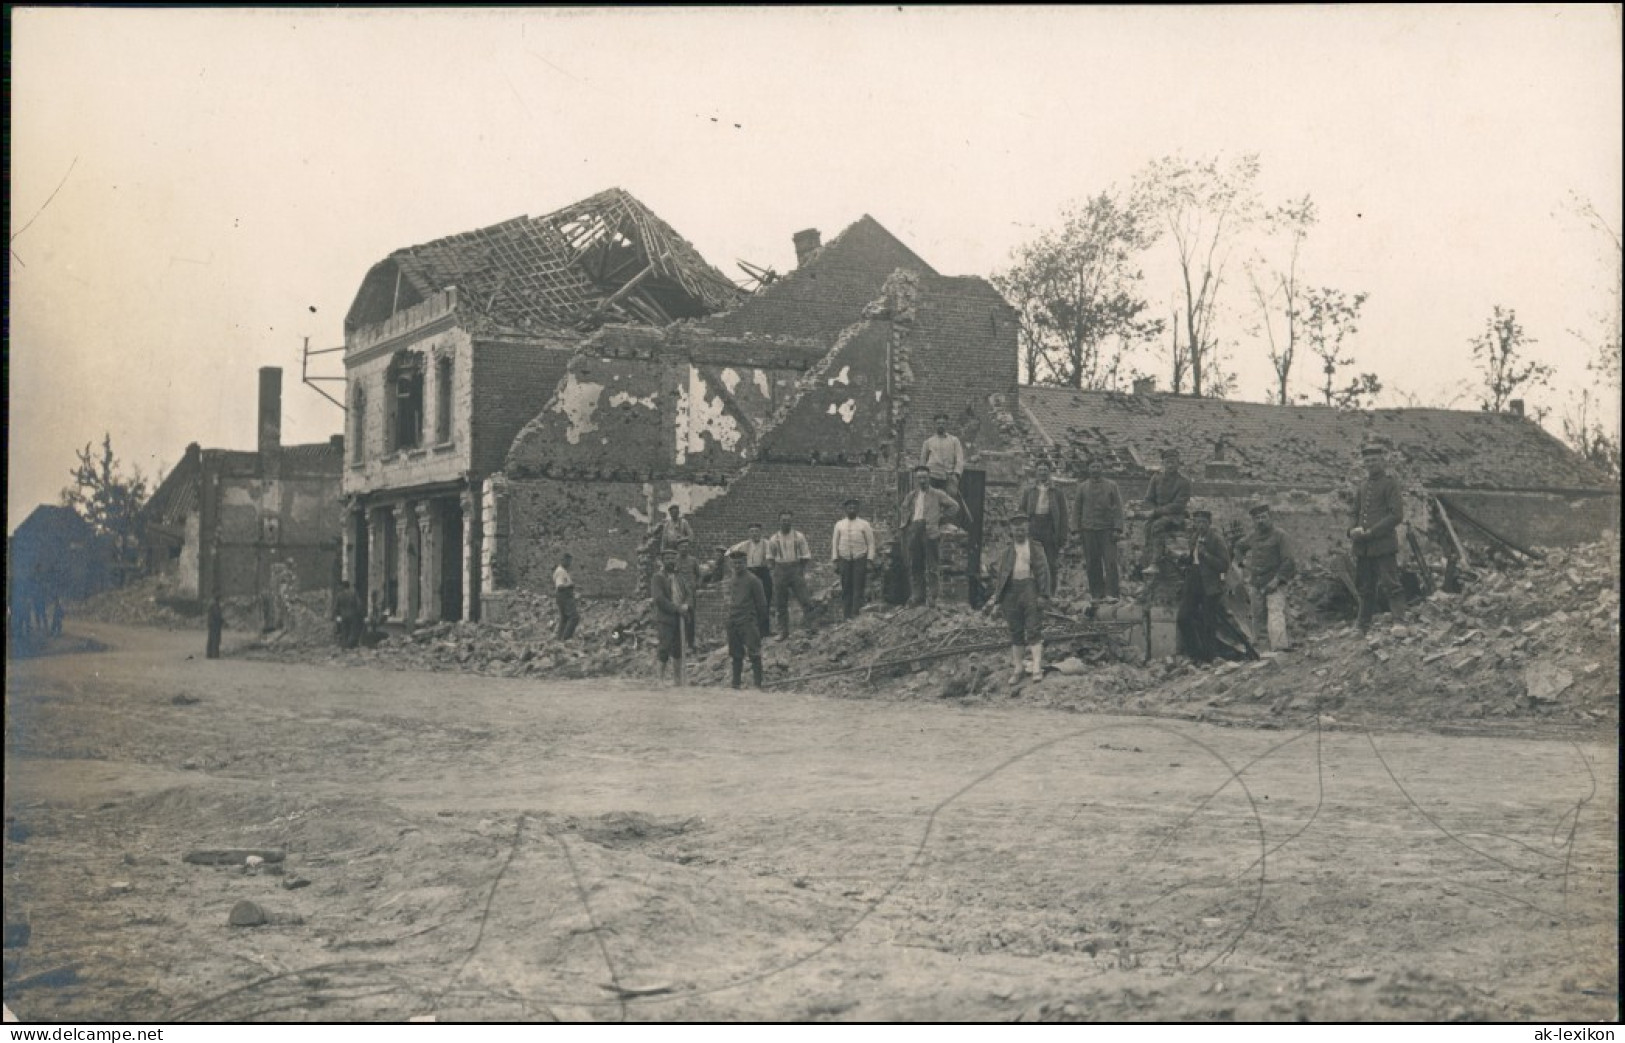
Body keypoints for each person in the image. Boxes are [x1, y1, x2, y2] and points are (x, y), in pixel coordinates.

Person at [984, 512, 1051, 686]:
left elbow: (1043, 572)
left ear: (1027, 528)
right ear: (1011, 530)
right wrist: (997, 600)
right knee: (1015, 630)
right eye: (1016, 528)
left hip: (1029, 588)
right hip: (1011, 592)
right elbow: (1001, 576)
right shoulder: (1007, 551)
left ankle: (1036, 666)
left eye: (1022, 528)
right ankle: (1018, 668)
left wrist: (1043, 594)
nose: (1019, 531)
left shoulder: (1036, 548)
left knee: (1033, 628)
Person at [1350, 443, 1406, 632]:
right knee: (1365, 587)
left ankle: (1399, 621)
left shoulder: (1390, 484)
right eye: (1367, 461)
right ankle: (1362, 625)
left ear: (1383, 461)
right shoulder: (1363, 486)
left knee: (1391, 584)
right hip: (1363, 547)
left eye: (1374, 460)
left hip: (1383, 544)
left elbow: (1396, 515)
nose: (1371, 464)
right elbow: (1354, 512)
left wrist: (1373, 531)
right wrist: (1351, 530)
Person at [1235, 504, 1296, 652]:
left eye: (1263, 517)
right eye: (1257, 518)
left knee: (1275, 614)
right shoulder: (1253, 536)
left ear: (1270, 518)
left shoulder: (1281, 536)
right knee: (1258, 617)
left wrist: (1277, 580)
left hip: (1274, 582)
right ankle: (1262, 651)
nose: (1260, 521)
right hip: (1256, 583)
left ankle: (1280, 648)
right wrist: (1241, 563)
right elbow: (1239, 546)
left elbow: (1289, 560)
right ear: (1253, 521)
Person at [898, 465, 960, 608]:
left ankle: (932, 597)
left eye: (924, 477)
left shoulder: (937, 494)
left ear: (929, 478)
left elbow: (954, 506)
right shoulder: (912, 495)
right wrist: (907, 522)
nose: (922, 481)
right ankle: (917, 595)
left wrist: (941, 519)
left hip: (930, 531)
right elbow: (903, 507)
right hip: (914, 531)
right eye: (919, 478)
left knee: (932, 565)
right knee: (915, 565)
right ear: (916, 479)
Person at [1176, 509, 1231, 663]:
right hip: (1193, 582)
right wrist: (1183, 559)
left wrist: (1206, 554)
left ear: (1209, 523)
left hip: (1210, 585)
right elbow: (1194, 560)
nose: (1200, 526)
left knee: (1209, 622)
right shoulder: (1194, 538)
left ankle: (1210, 657)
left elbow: (1224, 565)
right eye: (1197, 522)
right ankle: (1195, 653)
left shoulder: (1216, 539)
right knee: (1183, 617)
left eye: (1203, 522)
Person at [1073, 459, 1125, 600]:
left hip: (1107, 530)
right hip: (1088, 530)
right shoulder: (1082, 487)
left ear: (1102, 468)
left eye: (1098, 466)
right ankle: (1097, 594)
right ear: (1088, 469)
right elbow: (1077, 509)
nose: (1095, 469)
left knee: (1111, 562)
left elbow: (1119, 508)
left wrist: (1118, 528)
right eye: (1092, 466)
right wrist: (1076, 531)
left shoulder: (1111, 486)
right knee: (1092, 563)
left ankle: (1112, 594)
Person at [1136, 448, 1192, 576]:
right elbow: (1149, 498)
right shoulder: (1156, 479)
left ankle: (1156, 563)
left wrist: (1156, 512)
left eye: (1173, 462)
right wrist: (1149, 510)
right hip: (1157, 513)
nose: (1170, 465)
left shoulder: (1184, 482)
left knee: (1157, 526)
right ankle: (1147, 560)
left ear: (1178, 463)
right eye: (1167, 462)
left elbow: (1178, 505)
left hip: (1175, 515)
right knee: (1147, 527)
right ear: (1163, 464)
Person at [766, 511, 817, 638]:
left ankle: (810, 628)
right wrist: (775, 570)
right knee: (781, 603)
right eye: (783, 520)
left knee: (805, 599)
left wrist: (800, 569)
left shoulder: (798, 536)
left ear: (791, 521)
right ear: (779, 521)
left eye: (788, 520)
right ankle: (783, 632)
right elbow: (770, 557)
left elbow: (805, 555)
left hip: (795, 568)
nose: (786, 522)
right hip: (780, 569)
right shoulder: (773, 539)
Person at [1019, 462, 1069, 588]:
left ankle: (1050, 592)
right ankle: (1034, 590)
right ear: (1036, 472)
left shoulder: (1056, 491)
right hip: (1034, 525)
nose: (1042, 473)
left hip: (1049, 527)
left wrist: (1062, 535)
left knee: (1050, 562)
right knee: (1032, 560)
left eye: (1045, 470)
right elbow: (1022, 511)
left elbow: (1063, 514)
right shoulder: (1029, 491)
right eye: (1040, 470)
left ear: (1049, 472)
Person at [723, 549, 768, 689]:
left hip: (747, 621)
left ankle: (757, 685)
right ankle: (736, 684)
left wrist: (760, 626)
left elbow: (762, 605)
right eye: (734, 563)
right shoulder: (732, 579)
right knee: (736, 654)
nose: (737, 566)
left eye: (740, 563)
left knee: (754, 652)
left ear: (745, 563)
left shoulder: (753, 580)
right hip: (733, 621)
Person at [830, 498, 879, 620]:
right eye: (849, 507)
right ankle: (846, 616)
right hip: (844, 559)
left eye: (854, 507)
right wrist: (835, 560)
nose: (852, 509)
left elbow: (871, 543)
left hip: (859, 558)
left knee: (858, 586)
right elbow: (834, 543)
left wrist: (869, 560)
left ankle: (856, 613)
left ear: (858, 509)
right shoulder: (839, 525)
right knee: (846, 587)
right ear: (845, 510)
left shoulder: (864, 524)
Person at [650, 548, 691, 685]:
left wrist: (686, 605)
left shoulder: (680, 577)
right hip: (666, 618)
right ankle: (660, 678)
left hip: (681, 619)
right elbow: (659, 599)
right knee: (665, 647)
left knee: (678, 648)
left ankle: (677, 679)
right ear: (663, 561)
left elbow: (688, 593)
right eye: (667, 558)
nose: (670, 561)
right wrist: (676, 609)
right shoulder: (658, 577)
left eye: (673, 558)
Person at [730, 522, 775, 637]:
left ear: (761, 532)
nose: (754, 534)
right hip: (749, 573)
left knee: (764, 602)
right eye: (752, 532)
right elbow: (728, 553)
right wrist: (733, 570)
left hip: (763, 573)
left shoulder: (767, 543)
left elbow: (771, 559)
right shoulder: (744, 545)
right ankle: (752, 631)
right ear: (748, 533)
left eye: (756, 531)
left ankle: (765, 631)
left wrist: (769, 566)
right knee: (750, 603)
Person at [921, 413, 966, 496]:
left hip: (948, 477)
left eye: (943, 423)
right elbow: (923, 461)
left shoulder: (954, 441)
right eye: (938, 423)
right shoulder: (928, 442)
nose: (941, 425)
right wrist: (923, 476)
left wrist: (956, 474)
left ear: (947, 425)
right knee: (931, 501)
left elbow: (960, 459)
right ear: (934, 425)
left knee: (948, 502)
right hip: (932, 476)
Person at [673, 538, 702, 653]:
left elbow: (699, 575)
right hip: (678, 592)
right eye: (682, 547)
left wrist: (697, 585)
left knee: (690, 618)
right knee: (677, 617)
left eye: (686, 546)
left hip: (690, 593)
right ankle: (679, 643)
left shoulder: (693, 560)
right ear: (678, 548)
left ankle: (690, 643)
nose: (684, 549)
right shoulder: (675, 561)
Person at [552, 554, 580, 641]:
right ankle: (566, 638)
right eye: (568, 561)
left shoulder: (562, 571)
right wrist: (570, 585)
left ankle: (559, 638)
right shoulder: (561, 572)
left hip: (563, 596)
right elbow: (560, 586)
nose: (569, 563)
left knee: (564, 618)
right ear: (563, 560)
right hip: (564, 596)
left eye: (570, 561)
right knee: (574, 617)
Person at [334, 580, 365, 649]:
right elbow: (359, 604)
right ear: (349, 586)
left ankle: (344, 646)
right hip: (353, 615)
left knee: (344, 631)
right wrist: (359, 613)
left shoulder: (339, 595)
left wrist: (337, 615)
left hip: (343, 616)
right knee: (352, 630)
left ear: (343, 586)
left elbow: (336, 607)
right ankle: (350, 645)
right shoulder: (353, 594)